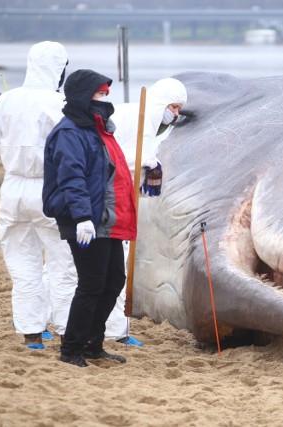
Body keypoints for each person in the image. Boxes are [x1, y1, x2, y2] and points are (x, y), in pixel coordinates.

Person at [0, 41, 76, 350]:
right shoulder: (60, 103)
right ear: (59, 69)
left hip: (13, 188)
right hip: (50, 188)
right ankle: (64, 331)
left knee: (22, 265)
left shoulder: (7, 100)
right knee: (63, 265)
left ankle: (31, 334)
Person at [43, 69, 136, 367]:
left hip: (106, 219)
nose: (105, 98)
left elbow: (111, 174)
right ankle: (71, 349)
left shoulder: (98, 128)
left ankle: (93, 344)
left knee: (113, 282)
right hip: (85, 220)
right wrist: (83, 217)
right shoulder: (70, 131)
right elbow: (72, 178)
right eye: (99, 93)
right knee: (92, 284)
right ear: (83, 95)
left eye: (107, 93)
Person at [104, 77, 187, 344]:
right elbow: (109, 153)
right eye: (173, 107)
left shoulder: (152, 126)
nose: (174, 115)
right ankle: (111, 328)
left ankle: (118, 329)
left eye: (177, 110)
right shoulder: (131, 115)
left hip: (127, 195)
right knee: (110, 262)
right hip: (111, 195)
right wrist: (146, 161)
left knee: (120, 263)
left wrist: (149, 165)